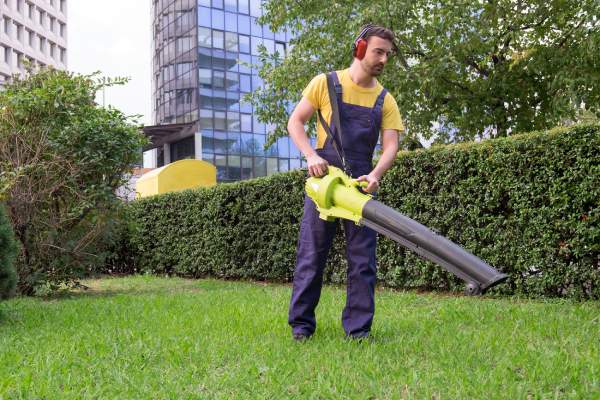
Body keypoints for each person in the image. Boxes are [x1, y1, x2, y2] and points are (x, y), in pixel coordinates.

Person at [287, 24, 404, 340]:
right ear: (360, 48)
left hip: (360, 184)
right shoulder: (324, 84)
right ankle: (301, 326)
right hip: (324, 181)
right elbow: (295, 121)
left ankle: (358, 330)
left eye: (387, 54)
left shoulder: (384, 99)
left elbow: (391, 145)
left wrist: (376, 175)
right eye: (378, 51)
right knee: (312, 254)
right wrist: (311, 155)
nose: (383, 59)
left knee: (362, 261)